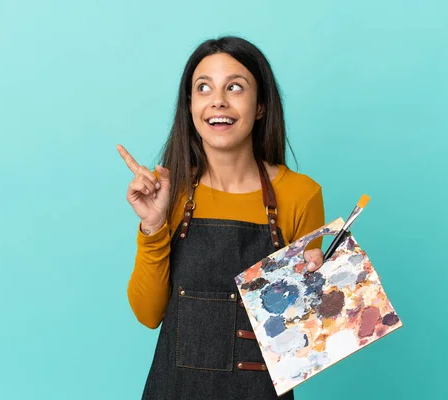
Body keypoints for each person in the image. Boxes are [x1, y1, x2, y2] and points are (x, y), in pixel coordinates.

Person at [118, 36, 326, 400]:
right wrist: (152, 225)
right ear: (190, 105)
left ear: (260, 106)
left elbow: (299, 350)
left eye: (235, 87)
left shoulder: (300, 195)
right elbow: (149, 315)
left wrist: (316, 295)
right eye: (203, 88)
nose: (218, 100)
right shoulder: (171, 192)